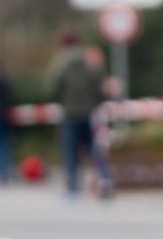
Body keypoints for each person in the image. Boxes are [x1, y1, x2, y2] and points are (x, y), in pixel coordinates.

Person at [46, 39, 114, 200]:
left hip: (69, 115)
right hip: (87, 114)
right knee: (93, 149)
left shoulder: (62, 67)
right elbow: (99, 91)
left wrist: (63, 103)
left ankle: (73, 187)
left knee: (70, 152)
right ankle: (104, 179)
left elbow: (52, 89)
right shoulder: (90, 68)